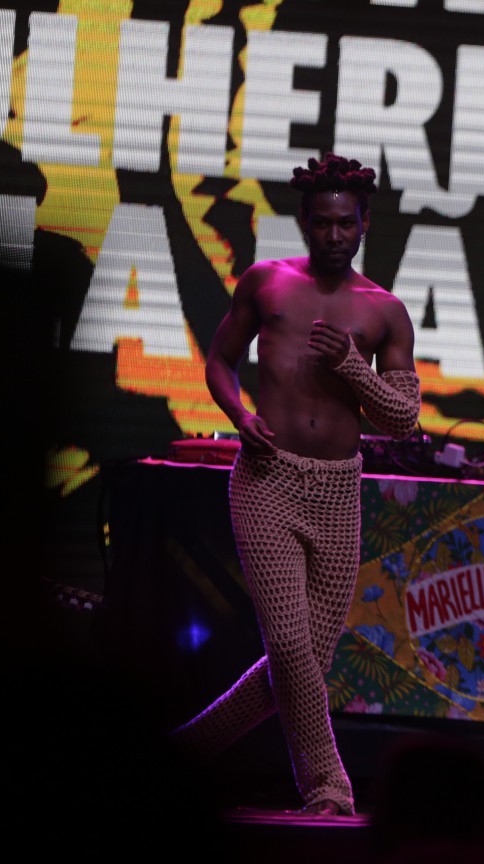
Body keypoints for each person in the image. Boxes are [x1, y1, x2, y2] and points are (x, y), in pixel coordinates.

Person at [170, 153, 420, 816]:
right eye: (322, 223)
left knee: (306, 661)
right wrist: (239, 415)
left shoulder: (385, 310)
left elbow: (403, 419)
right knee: (286, 645)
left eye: (347, 223)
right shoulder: (266, 284)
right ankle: (328, 784)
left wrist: (353, 368)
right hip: (267, 478)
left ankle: (177, 758)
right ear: (304, 223)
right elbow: (221, 361)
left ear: (364, 223)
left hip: (338, 490)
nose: (335, 235)